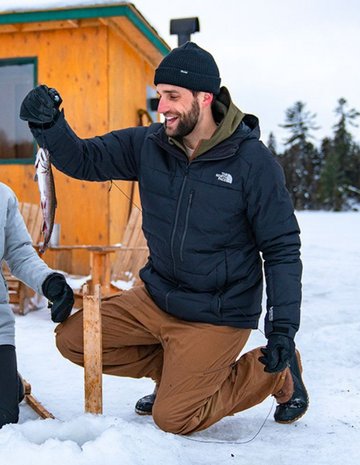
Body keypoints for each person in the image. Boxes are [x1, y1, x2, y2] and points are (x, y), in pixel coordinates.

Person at [19, 42, 308, 435]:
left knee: (174, 418)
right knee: (74, 340)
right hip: (158, 297)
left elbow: (282, 250)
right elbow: (85, 159)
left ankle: (277, 375)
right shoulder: (149, 144)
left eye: (173, 96)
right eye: (159, 96)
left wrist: (282, 330)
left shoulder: (253, 165)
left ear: (205, 98)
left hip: (216, 313)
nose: (163, 107)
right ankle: (176, 374)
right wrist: (50, 125)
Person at [0, 182, 74, 428]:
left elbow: (20, 253)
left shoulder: (3, 195)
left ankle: (10, 381)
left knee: (4, 419)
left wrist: (49, 281)